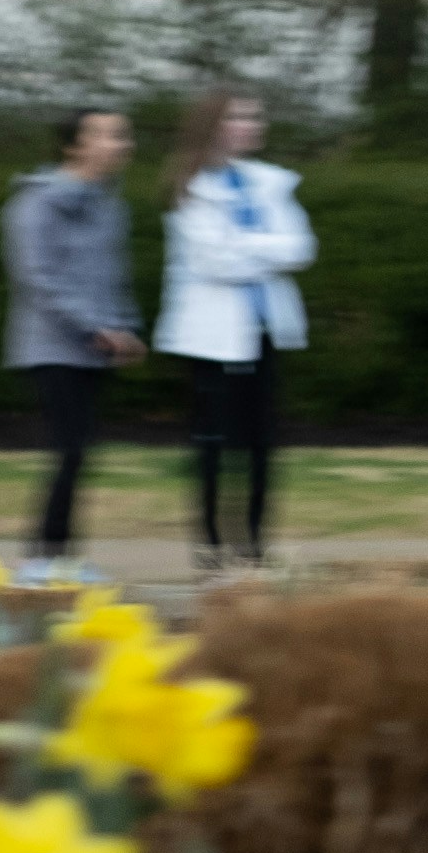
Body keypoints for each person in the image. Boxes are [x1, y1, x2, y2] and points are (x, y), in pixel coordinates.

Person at [153, 89, 316, 572]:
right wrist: (266, 249)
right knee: (213, 441)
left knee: (263, 441)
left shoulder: (269, 183)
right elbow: (214, 261)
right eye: (238, 116)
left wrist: (247, 246)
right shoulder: (191, 187)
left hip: (265, 330)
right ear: (212, 125)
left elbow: (301, 249)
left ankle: (254, 542)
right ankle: (210, 543)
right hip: (211, 337)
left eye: (254, 115)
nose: (251, 124)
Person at [1, 107, 145, 580]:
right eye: (108, 135)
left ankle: (58, 557)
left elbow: (114, 277)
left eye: (123, 135)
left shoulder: (110, 206)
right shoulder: (33, 205)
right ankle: (42, 559)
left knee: (80, 452)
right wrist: (95, 328)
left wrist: (125, 326)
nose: (121, 143)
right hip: (49, 345)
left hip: (93, 348)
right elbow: (38, 281)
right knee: (70, 450)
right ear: (73, 146)